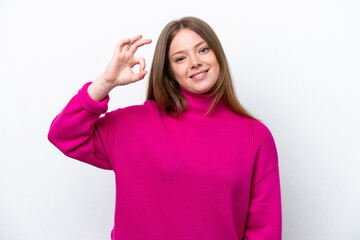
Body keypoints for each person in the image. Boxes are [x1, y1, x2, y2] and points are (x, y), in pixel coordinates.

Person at [48, 16, 282, 240]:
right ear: (169, 72)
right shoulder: (133, 125)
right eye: (180, 58)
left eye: (203, 50)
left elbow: (264, 230)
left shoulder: (255, 136)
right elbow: (64, 136)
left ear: (217, 55)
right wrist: (106, 82)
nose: (195, 62)